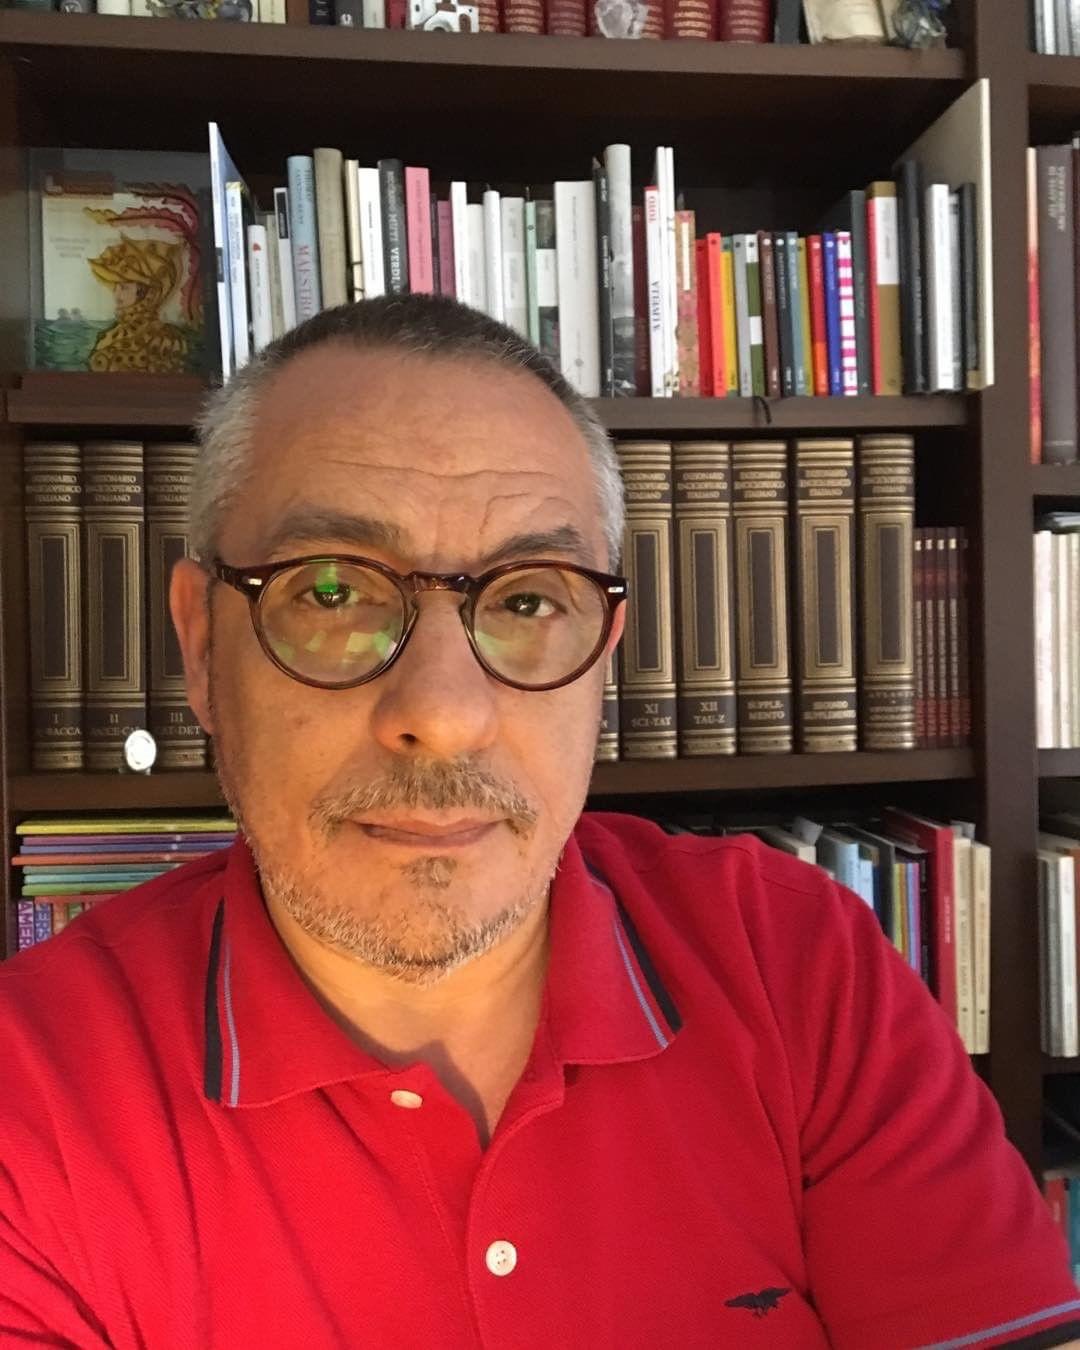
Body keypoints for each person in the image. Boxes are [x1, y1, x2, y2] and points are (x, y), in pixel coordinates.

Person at [1, 295, 1078, 1349]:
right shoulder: (33, 1092)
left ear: (603, 656)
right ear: (201, 645)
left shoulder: (801, 968)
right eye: (330, 592)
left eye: (527, 600)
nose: (442, 715)